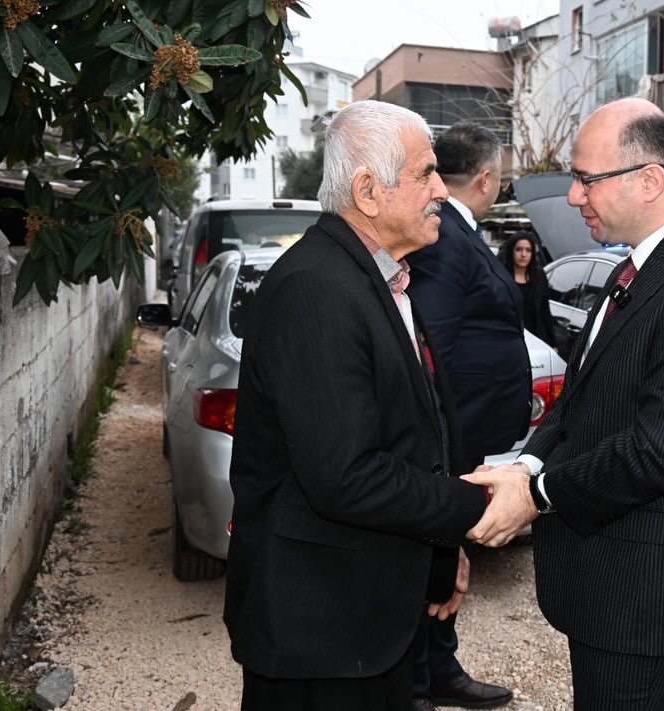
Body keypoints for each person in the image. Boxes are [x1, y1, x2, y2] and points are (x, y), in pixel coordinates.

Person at [463, 97, 664, 711]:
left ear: (649, 180)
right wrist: (525, 465)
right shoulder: (635, 265)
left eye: (586, 178)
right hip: (612, 589)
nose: (573, 196)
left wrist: (537, 495)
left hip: (648, 602)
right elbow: (580, 399)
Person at [223, 100, 504, 711]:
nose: (441, 189)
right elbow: (347, 476)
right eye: (426, 173)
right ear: (368, 192)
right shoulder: (317, 289)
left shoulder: (380, 276)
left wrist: (444, 548)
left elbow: (415, 432)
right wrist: (480, 505)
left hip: (367, 623)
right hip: (319, 634)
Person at [405, 122, 529, 710]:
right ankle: (415, 682)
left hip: (471, 431)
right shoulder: (444, 237)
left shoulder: (458, 231)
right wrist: (443, 445)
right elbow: (433, 351)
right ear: (485, 178)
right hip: (451, 436)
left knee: (450, 553)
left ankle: (440, 666)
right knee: (434, 556)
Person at [498, 232, 557, 346]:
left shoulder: (539, 276)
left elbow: (544, 311)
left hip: (535, 339)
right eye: (519, 249)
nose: (523, 254)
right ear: (511, 251)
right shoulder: (501, 276)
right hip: (507, 339)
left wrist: (553, 343)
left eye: (528, 250)